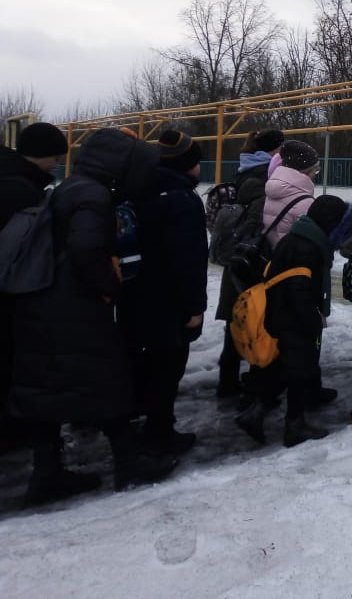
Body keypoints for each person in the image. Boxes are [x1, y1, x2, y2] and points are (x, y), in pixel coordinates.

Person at [10, 128, 177, 502]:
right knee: (107, 381)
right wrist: (110, 288)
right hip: (72, 309)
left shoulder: (71, 186)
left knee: (52, 390)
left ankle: (47, 475)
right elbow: (86, 247)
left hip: (47, 304)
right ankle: (129, 466)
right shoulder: (93, 194)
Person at [235, 195, 352, 447]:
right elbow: (299, 289)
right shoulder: (309, 248)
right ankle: (294, 426)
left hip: (282, 314)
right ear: (330, 224)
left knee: (285, 368)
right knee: (299, 370)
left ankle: (256, 413)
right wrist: (311, 320)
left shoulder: (299, 238)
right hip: (292, 318)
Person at [119, 130, 208, 456]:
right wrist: (195, 306)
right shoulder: (182, 200)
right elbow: (189, 258)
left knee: (145, 361)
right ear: (187, 165)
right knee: (167, 367)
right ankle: (160, 431)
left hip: (137, 294)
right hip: (170, 301)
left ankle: (140, 417)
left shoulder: (137, 190)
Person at [0, 122, 68, 449]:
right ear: (41, 155)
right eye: (55, 155)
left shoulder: (13, 178)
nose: (57, 163)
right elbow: (23, 249)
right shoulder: (19, 190)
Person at [214, 129, 285, 398]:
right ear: (273, 151)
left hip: (239, 259)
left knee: (237, 320)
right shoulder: (261, 178)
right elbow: (257, 225)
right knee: (251, 321)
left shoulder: (247, 170)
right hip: (249, 262)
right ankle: (250, 383)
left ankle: (229, 380)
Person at [262, 140, 319, 248]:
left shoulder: (273, 189)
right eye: (315, 170)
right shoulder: (305, 202)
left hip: (272, 253)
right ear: (306, 171)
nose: (315, 174)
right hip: (291, 259)